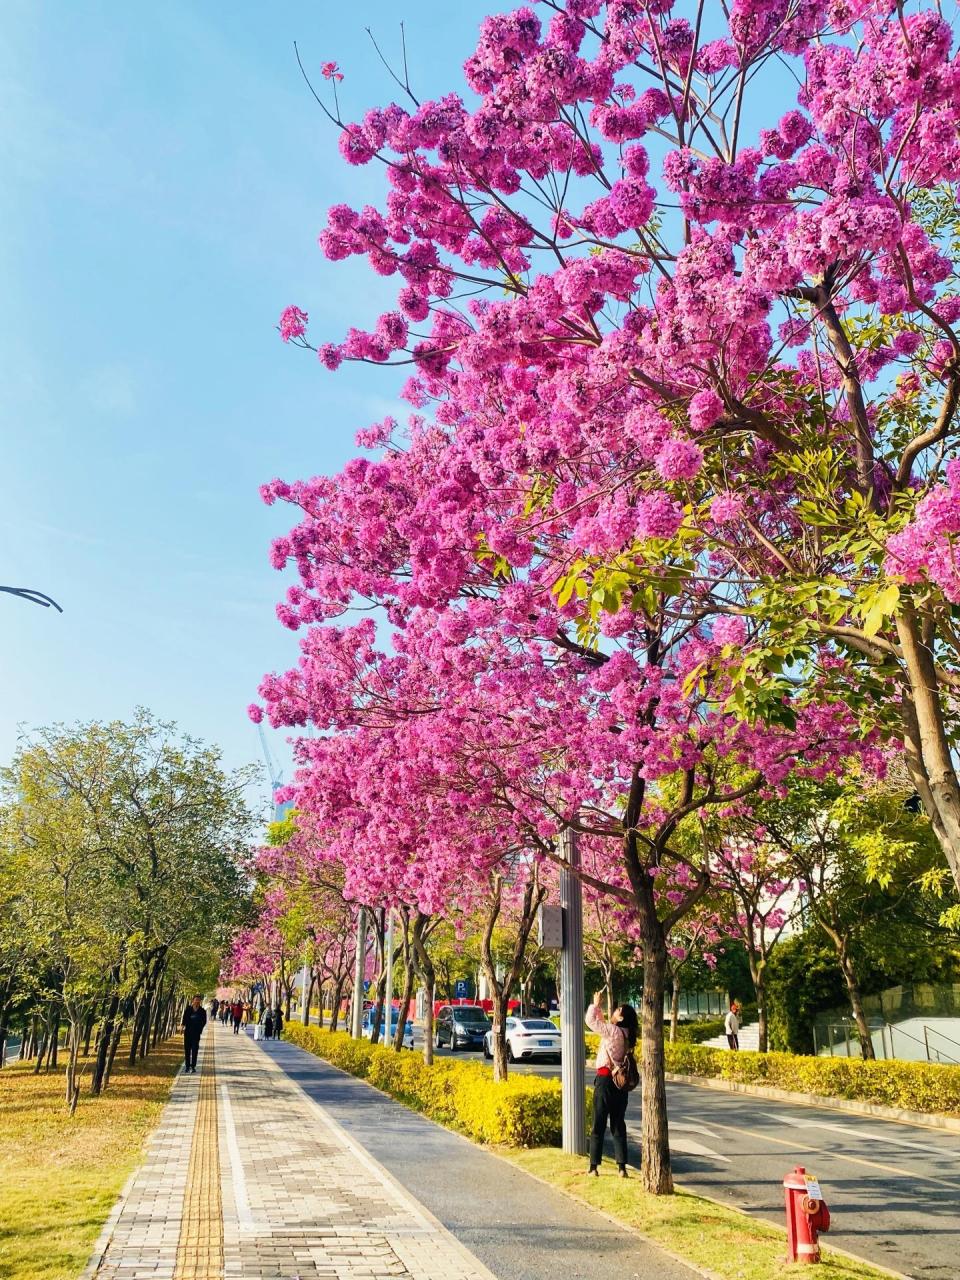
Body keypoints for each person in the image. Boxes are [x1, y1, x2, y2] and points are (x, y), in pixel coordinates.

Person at [585, 990, 638, 1178]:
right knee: (618, 1124)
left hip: (606, 1080)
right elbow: (602, 1024)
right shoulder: (627, 1035)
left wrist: (595, 1004)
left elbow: (591, 1022)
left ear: (621, 1016)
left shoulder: (613, 1032)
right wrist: (601, 1011)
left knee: (598, 1123)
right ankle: (622, 1167)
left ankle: (593, 1167)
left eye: (616, 1010)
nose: (614, 1012)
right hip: (620, 1085)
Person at [181, 994, 207, 1075]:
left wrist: (200, 1029)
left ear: (200, 1001)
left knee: (195, 1050)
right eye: (196, 1000)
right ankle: (187, 1066)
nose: (197, 1001)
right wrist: (182, 1028)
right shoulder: (188, 1009)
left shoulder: (202, 1011)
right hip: (188, 1033)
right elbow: (184, 1020)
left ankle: (193, 1066)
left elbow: (204, 1021)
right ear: (193, 1000)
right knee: (187, 1050)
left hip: (196, 1033)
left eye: (198, 1000)